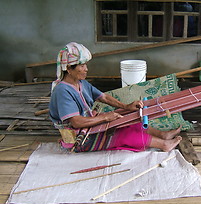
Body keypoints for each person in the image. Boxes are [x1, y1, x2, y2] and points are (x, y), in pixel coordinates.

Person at [49, 42, 182, 153]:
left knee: (127, 120)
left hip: (88, 125)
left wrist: (126, 107)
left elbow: (103, 97)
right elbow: (76, 122)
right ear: (68, 69)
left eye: (86, 65)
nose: (86, 69)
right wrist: (106, 117)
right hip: (79, 138)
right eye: (82, 66)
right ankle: (163, 145)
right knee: (121, 134)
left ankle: (162, 135)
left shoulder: (81, 83)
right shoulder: (62, 91)